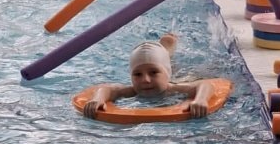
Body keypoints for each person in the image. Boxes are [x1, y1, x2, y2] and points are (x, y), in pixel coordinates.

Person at [81, 34, 217, 120]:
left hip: (174, 77)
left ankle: (167, 49)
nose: (145, 80)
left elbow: (204, 84)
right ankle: (164, 51)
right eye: (137, 74)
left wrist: (201, 99)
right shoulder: (130, 91)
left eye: (153, 72)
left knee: (185, 75)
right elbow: (107, 88)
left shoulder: (173, 89)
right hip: (165, 70)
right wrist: (98, 99)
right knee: (161, 64)